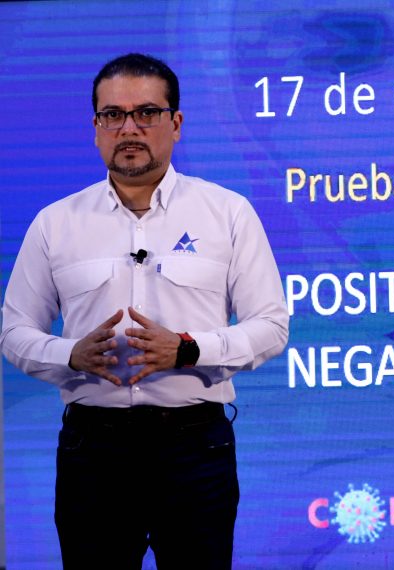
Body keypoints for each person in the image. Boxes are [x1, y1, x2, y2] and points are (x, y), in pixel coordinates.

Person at [0, 53, 289, 569]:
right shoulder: (55, 223)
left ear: (175, 124)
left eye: (146, 113)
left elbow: (271, 326)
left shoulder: (227, 212)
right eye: (112, 115)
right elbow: (14, 331)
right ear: (96, 128)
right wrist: (70, 355)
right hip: (94, 450)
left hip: (195, 448)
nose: (128, 128)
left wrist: (188, 349)